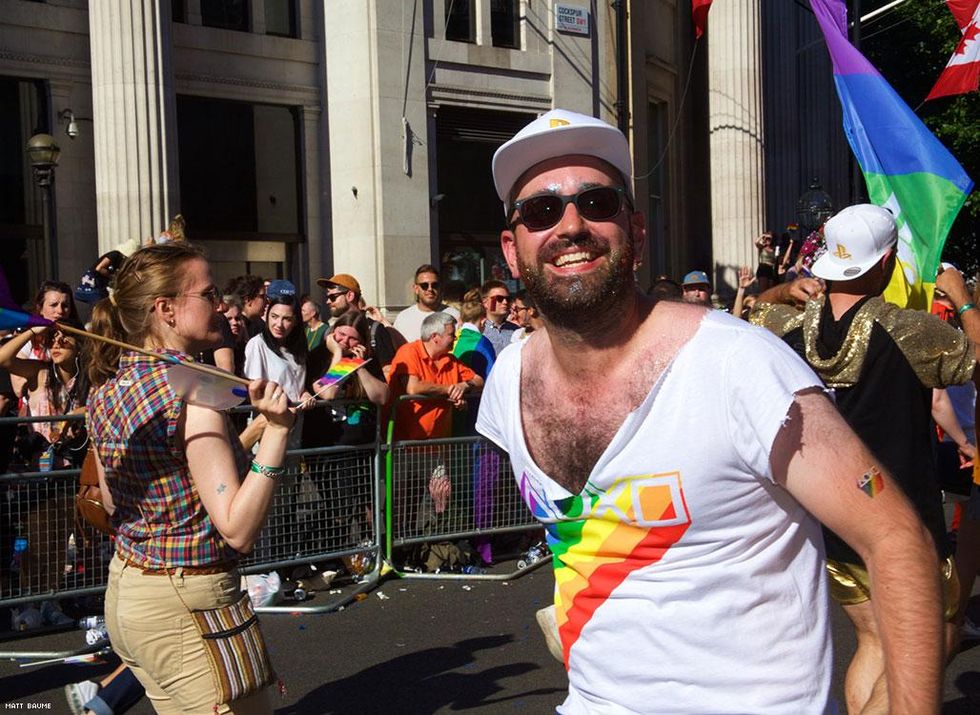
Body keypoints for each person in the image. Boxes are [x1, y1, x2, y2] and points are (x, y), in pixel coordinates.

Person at [476, 108, 946, 713]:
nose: (571, 225)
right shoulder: (508, 382)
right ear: (513, 253)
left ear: (636, 233)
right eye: (542, 211)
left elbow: (896, 538)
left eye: (597, 203)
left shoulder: (736, 365)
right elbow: (589, 547)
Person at [751, 203, 980, 714]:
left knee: (875, 640)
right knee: (932, 641)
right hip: (902, 519)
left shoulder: (786, 326)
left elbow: (747, 311)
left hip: (828, 513)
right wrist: (963, 301)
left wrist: (779, 289)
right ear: (887, 262)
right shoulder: (911, 331)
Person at [86, 243, 295, 713]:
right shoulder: (195, 392)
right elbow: (237, 528)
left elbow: (126, 500)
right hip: (186, 605)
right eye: (208, 293)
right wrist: (277, 433)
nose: (220, 304)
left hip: (130, 594)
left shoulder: (107, 389)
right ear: (166, 310)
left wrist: (250, 433)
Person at [392, 265, 460, 342]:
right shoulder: (403, 318)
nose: (430, 289)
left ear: (440, 287)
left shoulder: (454, 316)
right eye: (424, 285)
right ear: (416, 289)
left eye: (434, 285)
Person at [479, 280, 518, 356]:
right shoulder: (478, 330)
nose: (505, 302)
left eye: (508, 299)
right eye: (499, 299)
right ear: (485, 303)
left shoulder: (516, 330)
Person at [223, 275, 267, 339]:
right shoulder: (232, 328)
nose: (266, 300)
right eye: (262, 296)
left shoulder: (260, 325)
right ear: (248, 300)